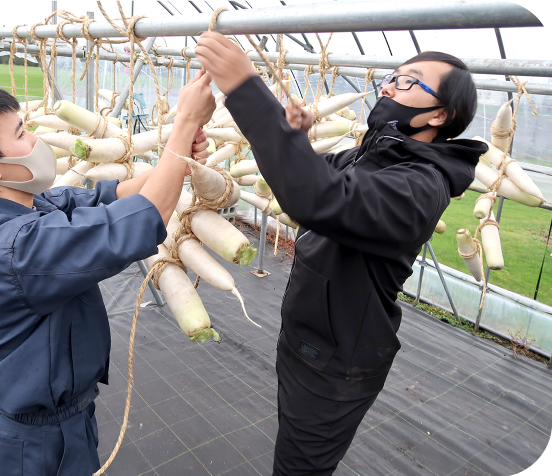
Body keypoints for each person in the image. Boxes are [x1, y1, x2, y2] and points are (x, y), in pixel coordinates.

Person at [194, 33, 487, 475]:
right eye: (392, 77)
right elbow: (303, 177)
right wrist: (290, 137)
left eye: (407, 82)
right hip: (309, 337)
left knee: (299, 467)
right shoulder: (373, 156)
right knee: (292, 443)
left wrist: (244, 89)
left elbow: (316, 198)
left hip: (337, 364)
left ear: (440, 114)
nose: (389, 86)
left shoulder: (420, 185)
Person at [0, 72, 216, 475]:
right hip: (30, 447)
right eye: (21, 133)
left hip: (67, 422)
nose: (35, 140)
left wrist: (178, 164)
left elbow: (121, 196)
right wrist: (183, 127)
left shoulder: (32, 205)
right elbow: (146, 218)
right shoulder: (17, 247)